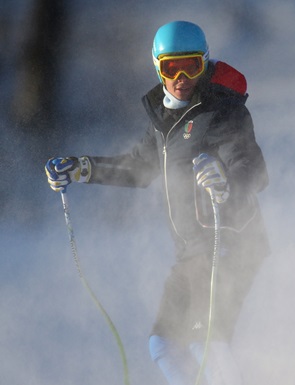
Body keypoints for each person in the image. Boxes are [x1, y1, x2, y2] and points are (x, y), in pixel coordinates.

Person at [45, 20, 269, 385]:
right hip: (191, 253)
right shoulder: (164, 121)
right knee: (163, 345)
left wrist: (226, 180)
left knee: (205, 344)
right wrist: (83, 168)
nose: (181, 76)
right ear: (157, 67)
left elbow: (251, 166)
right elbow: (138, 167)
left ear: (205, 63)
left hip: (227, 245)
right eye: (171, 67)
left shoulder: (224, 111)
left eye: (191, 65)